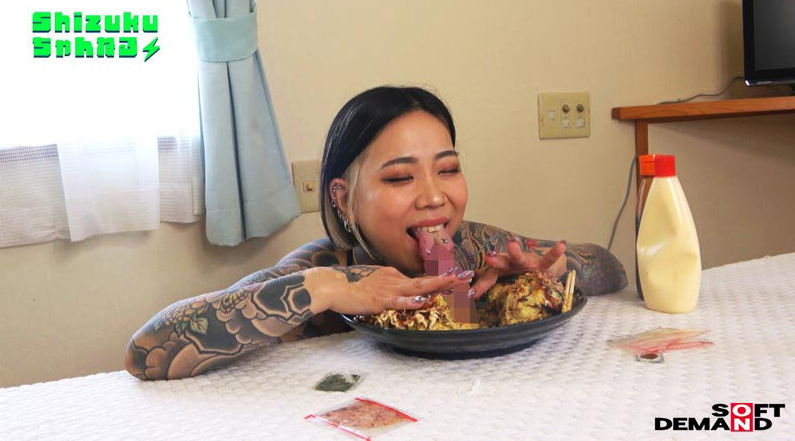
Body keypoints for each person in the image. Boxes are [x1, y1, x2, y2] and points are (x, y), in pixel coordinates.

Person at [125, 86, 627, 380]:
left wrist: (551, 272)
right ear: (343, 199)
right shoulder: (323, 270)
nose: (434, 197)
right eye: (400, 177)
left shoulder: (477, 251)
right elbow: (145, 351)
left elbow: (611, 267)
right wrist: (328, 290)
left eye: (448, 169)